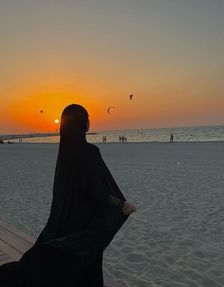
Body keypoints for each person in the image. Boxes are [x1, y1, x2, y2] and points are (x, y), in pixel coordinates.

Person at [0, 104, 136, 287]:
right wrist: (121, 204)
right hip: (86, 222)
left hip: (67, 220)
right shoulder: (90, 152)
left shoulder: (65, 152)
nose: (89, 121)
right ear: (82, 124)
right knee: (87, 263)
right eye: (87, 118)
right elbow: (98, 191)